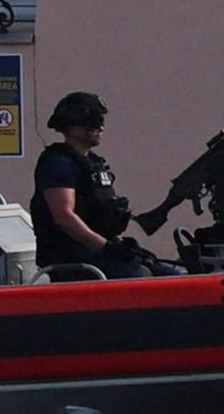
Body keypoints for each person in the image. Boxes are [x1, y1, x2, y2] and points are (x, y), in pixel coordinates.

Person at [31, 92, 173, 279]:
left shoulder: (93, 164)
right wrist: (106, 247)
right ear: (73, 124)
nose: (100, 127)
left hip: (100, 254)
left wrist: (121, 246)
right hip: (74, 258)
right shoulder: (58, 163)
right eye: (93, 121)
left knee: (172, 276)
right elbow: (64, 216)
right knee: (140, 279)